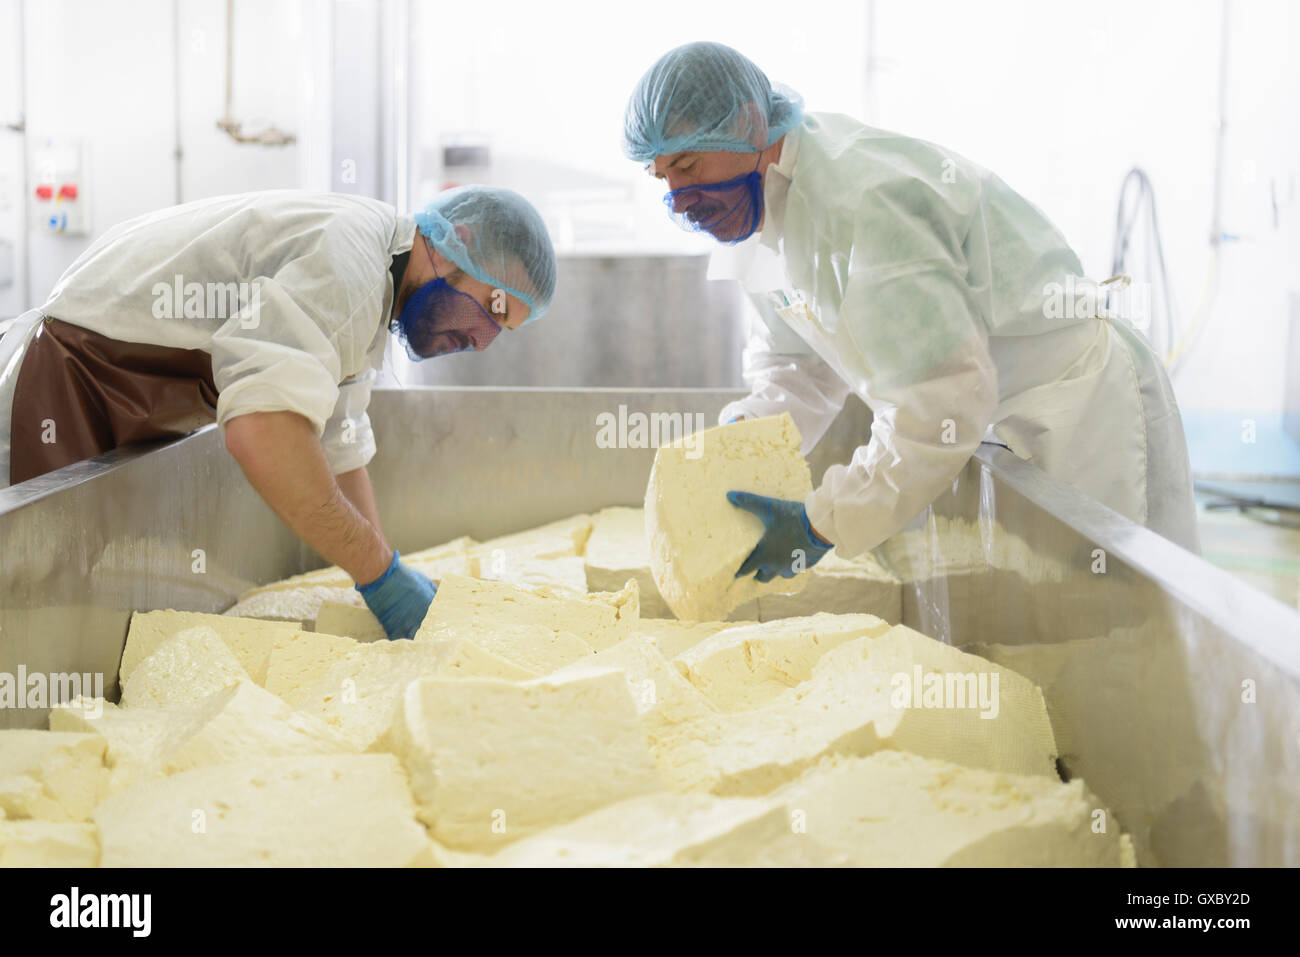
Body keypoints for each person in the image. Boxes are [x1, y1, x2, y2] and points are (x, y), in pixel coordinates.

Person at [622, 41, 1200, 582]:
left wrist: (822, 522)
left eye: (690, 166)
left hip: (1074, 411)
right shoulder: (759, 216)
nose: (679, 199)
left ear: (748, 125)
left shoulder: (862, 204)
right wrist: (741, 441)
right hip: (989, 423)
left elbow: (939, 401)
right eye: (663, 177)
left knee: (1115, 619)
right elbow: (797, 365)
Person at [0, 186, 557, 637]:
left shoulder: (378, 283)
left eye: (501, 332)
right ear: (454, 242)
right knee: (31, 596)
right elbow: (262, 429)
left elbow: (339, 443)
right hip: (71, 379)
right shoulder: (351, 262)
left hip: (119, 395)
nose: (482, 340)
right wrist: (378, 574)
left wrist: (385, 573)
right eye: (493, 307)